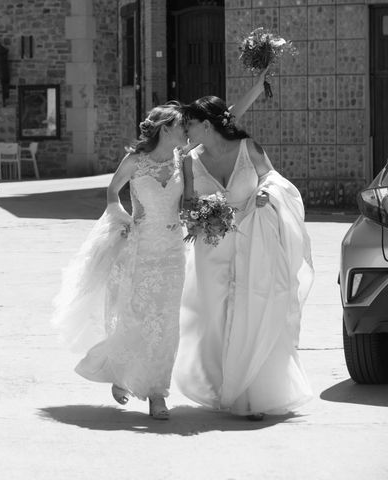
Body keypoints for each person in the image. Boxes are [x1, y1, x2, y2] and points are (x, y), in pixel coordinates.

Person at [174, 95, 314, 420]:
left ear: (206, 125)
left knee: (252, 311)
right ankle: (227, 384)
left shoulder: (249, 148)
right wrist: (201, 213)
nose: (186, 131)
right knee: (217, 318)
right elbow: (188, 203)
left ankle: (249, 394)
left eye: (190, 125)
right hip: (211, 246)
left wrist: (267, 192)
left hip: (253, 240)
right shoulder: (188, 160)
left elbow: (274, 178)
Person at [53, 104, 192, 420]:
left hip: (172, 251)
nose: (187, 131)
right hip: (140, 248)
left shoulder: (183, 160)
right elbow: (112, 192)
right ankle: (121, 374)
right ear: (165, 129)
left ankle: (158, 394)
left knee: (167, 323)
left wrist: (260, 80)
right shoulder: (134, 161)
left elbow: (225, 119)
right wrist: (122, 219)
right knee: (136, 318)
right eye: (182, 125)